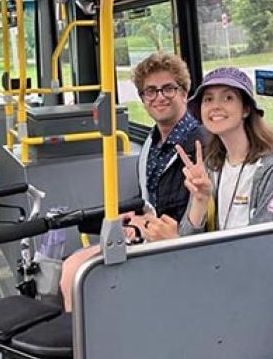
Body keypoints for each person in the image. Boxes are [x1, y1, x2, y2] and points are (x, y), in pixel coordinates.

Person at [59, 52, 207, 311]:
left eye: (169, 89)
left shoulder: (199, 144)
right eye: (150, 91)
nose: (159, 97)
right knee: (72, 270)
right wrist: (137, 221)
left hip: (175, 246)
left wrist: (143, 226)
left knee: (76, 275)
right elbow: (150, 201)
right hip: (148, 234)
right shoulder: (152, 142)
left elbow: (188, 216)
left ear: (185, 93)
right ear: (143, 98)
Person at [140, 66, 273, 241]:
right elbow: (187, 237)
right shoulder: (211, 164)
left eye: (228, 98)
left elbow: (265, 250)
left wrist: (174, 242)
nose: (215, 106)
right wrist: (200, 200)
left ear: (246, 109)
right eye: (208, 99)